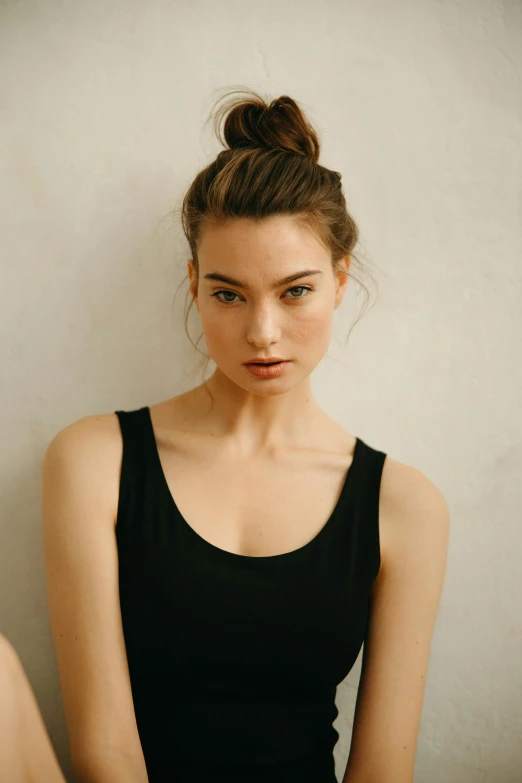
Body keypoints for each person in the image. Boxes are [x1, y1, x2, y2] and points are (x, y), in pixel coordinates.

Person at [3, 89, 449, 783]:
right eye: (229, 293)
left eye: (295, 290)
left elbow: (382, 773)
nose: (262, 332)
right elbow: (106, 751)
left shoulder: (405, 505)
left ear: (338, 281)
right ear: (193, 284)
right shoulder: (96, 460)